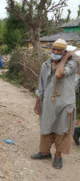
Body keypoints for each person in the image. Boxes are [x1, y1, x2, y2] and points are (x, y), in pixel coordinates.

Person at [31, 38, 77, 169]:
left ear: (65, 52)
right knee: (46, 125)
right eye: (54, 49)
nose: (55, 52)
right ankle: (45, 152)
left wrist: (65, 58)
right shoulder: (45, 65)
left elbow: (59, 74)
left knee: (62, 129)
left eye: (59, 50)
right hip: (48, 103)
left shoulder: (72, 64)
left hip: (65, 103)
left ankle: (58, 155)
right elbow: (41, 85)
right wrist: (37, 102)